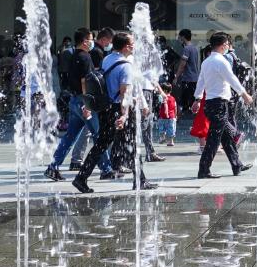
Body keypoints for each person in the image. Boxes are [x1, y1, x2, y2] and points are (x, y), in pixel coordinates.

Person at [71, 32, 156, 193]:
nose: (134, 45)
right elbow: (124, 94)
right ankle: (139, 180)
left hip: (106, 108)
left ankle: (81, 178)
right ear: (126, 47)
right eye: (132, 43)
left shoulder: (108, 58)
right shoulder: (126, 66)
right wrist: (124, 115)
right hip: (118, 110)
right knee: (130, 143)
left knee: (102, 144)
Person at [45, 28, 115, 180]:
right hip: (84, 102)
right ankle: (107, 169)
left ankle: (53, 166)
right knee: (99, 135)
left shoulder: (72, 55)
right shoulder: (85, 57)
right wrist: (88, 104)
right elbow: (86, 81)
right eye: (90, 39)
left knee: (70, 136)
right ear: (84, 41)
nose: (92, 41)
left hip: (74, 101)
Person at [193, 32, 254, 179]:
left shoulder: (206, 61)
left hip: (211, 104)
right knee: (214, 139)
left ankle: (236, 164)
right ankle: (204, 170)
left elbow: (201, 81)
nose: (228, 46)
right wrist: (244, 94)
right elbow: (232, 79)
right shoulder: (221, 62)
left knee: (226, 138)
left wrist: (197, 98)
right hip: (219, 104)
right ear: (221, 46)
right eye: (226, 44)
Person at [172, 29, 200, 110]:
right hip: (194, 78)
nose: (179, 39)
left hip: (188, 79)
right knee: (192, 101)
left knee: (186, 103)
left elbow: (182, 65)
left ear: (183, 37)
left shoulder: (186, 49)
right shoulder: (194, 48)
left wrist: (176, 77)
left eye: (180, 37)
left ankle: (186, 120)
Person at [157, 82, 178, 146]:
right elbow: (175, 107)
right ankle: (171, 141)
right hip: (171, 117)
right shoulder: (173, 98)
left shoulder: (162, 97)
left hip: (162, 117)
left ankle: (162, 137)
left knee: (161, 128)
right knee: (171, 129)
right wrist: (175, 115)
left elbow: (160, 105)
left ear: (164, 90)